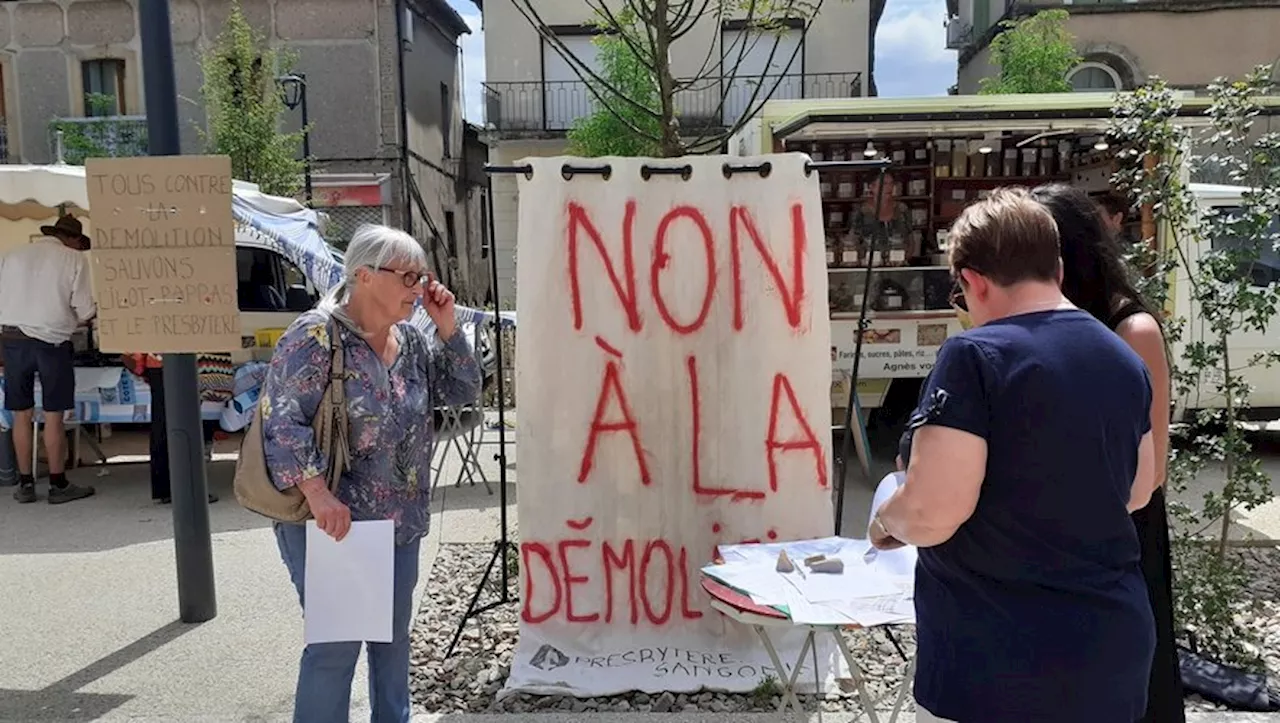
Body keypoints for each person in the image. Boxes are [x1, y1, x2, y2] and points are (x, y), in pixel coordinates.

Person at [870, 188, 1158, 723]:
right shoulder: (1122, 353)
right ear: (1057, 268)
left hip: (998, 655)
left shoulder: (975, 355)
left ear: (972, 279)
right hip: (1109, 648)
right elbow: (1138, 489)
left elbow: (933, 512)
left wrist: (886, 514)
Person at [261, 224, 480, 723]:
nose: (419, 288)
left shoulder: (411, 341)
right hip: (335, 522)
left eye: (422, 276)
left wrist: (447, 327)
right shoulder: (316, 336)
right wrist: (317, 494)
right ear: (363, 276)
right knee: (335, 649)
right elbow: (281, 419)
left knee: (391, 641)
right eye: (407, 276)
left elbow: (463, 392)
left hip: (398, 522)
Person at [1032, 182, 1185, 723]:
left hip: (1120, 532)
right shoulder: (1038, 322)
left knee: (1129, 685)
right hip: (1056, 532)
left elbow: (1153, 467)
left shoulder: (1131, 328)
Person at [0, 215, 97, 504]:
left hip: (11, 340)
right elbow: (85, 310)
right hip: (51, 343)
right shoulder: (74, 260)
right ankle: (58, 483)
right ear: (73, 239)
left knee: (21, 413)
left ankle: (26, 484)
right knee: (53, 414)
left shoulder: (11, 255)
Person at [121, 352, 221, 505]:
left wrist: (140, 362)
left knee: (162, 424)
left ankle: (165, 488)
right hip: (182, 358)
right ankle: (187, 489)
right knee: (186, 424)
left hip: (158, 361)